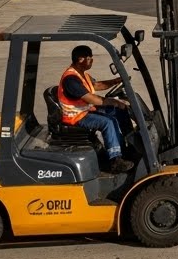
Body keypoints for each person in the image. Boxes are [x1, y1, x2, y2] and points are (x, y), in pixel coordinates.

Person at [57, 45, 134, 173]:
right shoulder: (71, 79)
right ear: (81, 59)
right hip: (76, 116)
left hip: (85, 110)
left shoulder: (82, 75)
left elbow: (97, 85)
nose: (92, 60)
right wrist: (114, 101)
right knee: (108, 122)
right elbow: (90, 98)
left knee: (119, 111)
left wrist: (116, 81)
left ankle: (129, 146)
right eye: (89, 58)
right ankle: (116, 160)